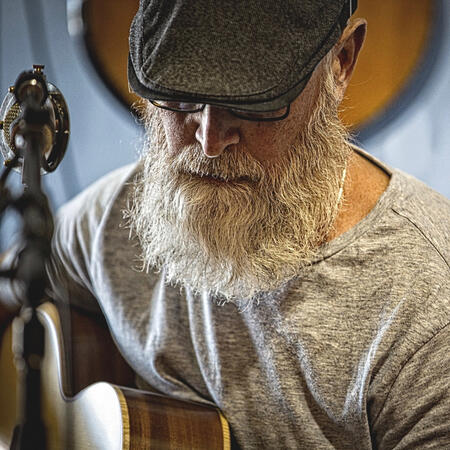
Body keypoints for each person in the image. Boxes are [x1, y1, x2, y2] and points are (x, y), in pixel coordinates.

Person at [1, 0, 450, 448]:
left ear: (341, 61)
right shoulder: (118, 216)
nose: (210, 141)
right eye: (180, 93)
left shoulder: (427, 309)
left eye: (255, 101)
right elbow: (13, 287)